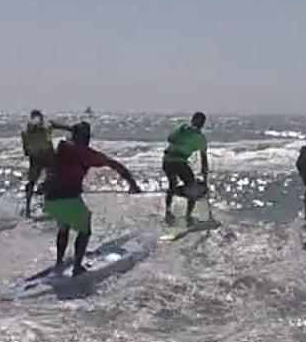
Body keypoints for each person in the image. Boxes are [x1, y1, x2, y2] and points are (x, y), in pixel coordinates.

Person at [39, 121, 142, 279]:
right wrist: (133, 185)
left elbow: (49, 135)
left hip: (50, 201)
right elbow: (115, 165)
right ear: (85, 138)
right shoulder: (85, 153)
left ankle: (59, 262)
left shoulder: (62, 147)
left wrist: (65, 128)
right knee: (85, 228)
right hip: (67, 200)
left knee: (64, 227)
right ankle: (77, 267)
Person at [162, 112, 212, 226]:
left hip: (170, 161)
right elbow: (170, 139)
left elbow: (203, 159)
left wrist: (205, 176)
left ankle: (171, 212)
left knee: (174, 184)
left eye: (200, 122)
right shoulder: (184, 129)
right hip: (174, 162)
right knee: (190, 187)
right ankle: (185, 216)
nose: (198, 124)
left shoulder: (198, 137)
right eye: (198, 122)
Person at [19, 111, 69, 217]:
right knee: (39, 181)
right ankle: (31, 207)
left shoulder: (36, 129)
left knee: (44, 181)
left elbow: (26, 150)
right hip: (42, 157)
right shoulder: (31, 130)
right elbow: (26, 149)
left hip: (42, 157)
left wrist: (71, 128)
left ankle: (34, 206)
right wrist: (71, 128)